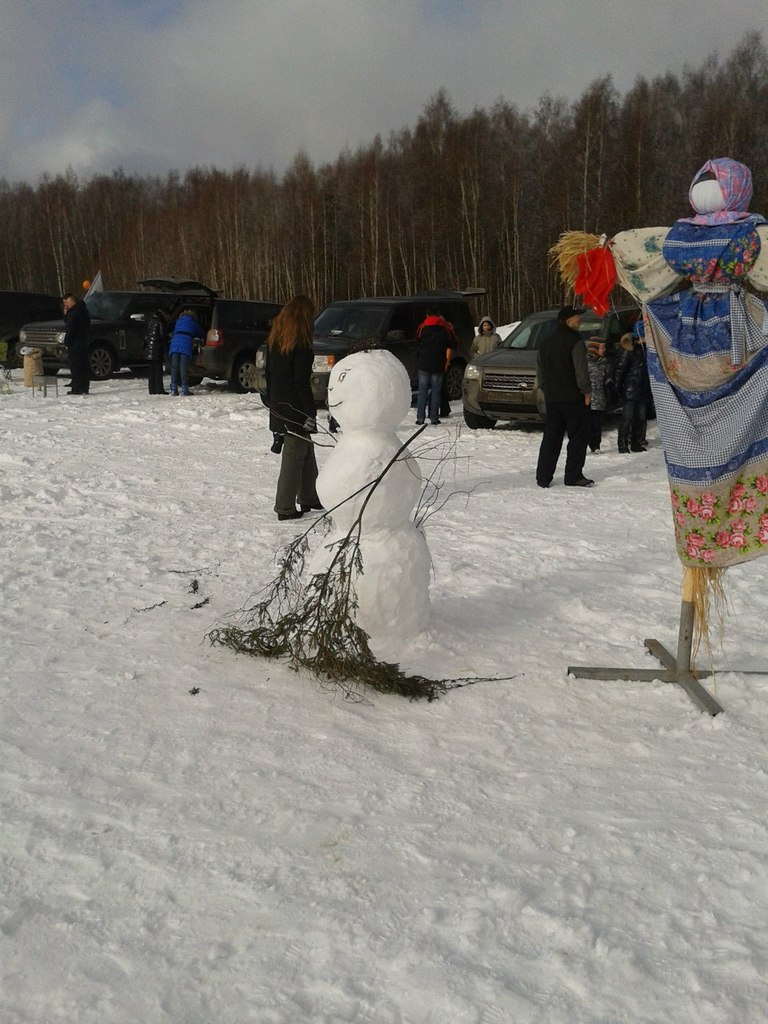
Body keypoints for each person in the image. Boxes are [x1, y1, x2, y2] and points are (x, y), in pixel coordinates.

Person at [265, 295, 322, 521]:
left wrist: (271, 402)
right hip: (296, 408)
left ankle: (310, 497)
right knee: (294, 455)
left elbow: (269, 376)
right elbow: (301, 381)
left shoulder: (275, 341)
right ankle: (284, 507)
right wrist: (310, 411)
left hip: (279, 404)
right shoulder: (302, 345)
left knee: (304, 450)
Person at [535, 305, 594, 488]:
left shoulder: (545, 341)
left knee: (551, 438)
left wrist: (547, 390)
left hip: (553, 399)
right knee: (578, 438)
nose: (580, 320)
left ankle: (543, 477)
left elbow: (540, 372)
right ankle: (573, 476)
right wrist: (586, 391)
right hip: (573, 398)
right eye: (578, 318)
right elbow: (581, 371)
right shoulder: (574, 341)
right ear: (568, 320)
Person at [614, 319, 652, 453]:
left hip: (643, 389)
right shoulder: (629, 350)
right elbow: (619, 371)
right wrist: (618, 389)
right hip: (630, 390)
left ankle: (636, 443)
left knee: (640, 418)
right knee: (627, 418)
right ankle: (622, 444)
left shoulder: (647, 350)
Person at [415, 310, 456, 425]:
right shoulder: (446, 329)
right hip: (438, 364)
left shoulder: (422, 328)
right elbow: (454, 344)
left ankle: (420, 418)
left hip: (423, 363)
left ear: (427, 315)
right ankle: (434, 418)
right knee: (436, 391)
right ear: (439, 316)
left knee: (422, 391)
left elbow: (417, 342)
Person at [62, 292, 91, 395]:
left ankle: (77, 388)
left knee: (76, 366)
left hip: (75, 342)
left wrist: (67, 341)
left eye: (67, 302)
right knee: (82, 366)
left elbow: (70, 328)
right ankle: (83, 387)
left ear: (72, 301)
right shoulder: (83, 310)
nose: (66, 305)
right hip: (83, 341)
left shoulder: (75, 313)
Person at [168, 308, 201, 396]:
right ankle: (184, 389)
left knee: (174, 367)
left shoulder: (178, 321)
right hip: (185, 344)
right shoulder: (193, 323)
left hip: (175, 343)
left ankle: (174, 389)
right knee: (183, 367)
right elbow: (201, 333)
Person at [585, 337, 608, 453]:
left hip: (600, 398)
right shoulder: (586, 364)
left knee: (597, 424)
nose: (604, 350)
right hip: (588, 399)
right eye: (601, 348)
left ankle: (596, 445)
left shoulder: (604, 363)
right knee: (589, 424)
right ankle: (590, 444)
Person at [144, 307, 170, 395]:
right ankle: (159, 389)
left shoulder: (151, 321)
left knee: (151, 371)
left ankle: (152, 389)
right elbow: (162, 336)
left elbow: (147, 336)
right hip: (157, 350)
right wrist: (167, 340)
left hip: (150, 350)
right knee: (158, 371)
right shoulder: (160, 322)